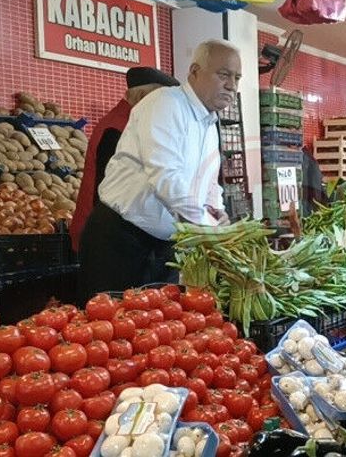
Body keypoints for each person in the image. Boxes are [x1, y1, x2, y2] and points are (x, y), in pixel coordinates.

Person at [78, 39, 240, 300]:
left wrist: (215, 209)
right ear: (195, 72)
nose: (232, 85)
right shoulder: (165, 104)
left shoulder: (209, 123)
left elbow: (207, 181)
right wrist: (210, 229)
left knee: (161, 331)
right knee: (110, 329)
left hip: (163, 246)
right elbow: (166, 176)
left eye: (237, 77)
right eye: (224, 75)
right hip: (120, 241)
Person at [69, 67, 179, 252]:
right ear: (143, 96)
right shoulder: (117, 128)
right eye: (162, 99)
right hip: (110, 235)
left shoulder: (132, 122)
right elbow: (107, 190)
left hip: (124, 233)